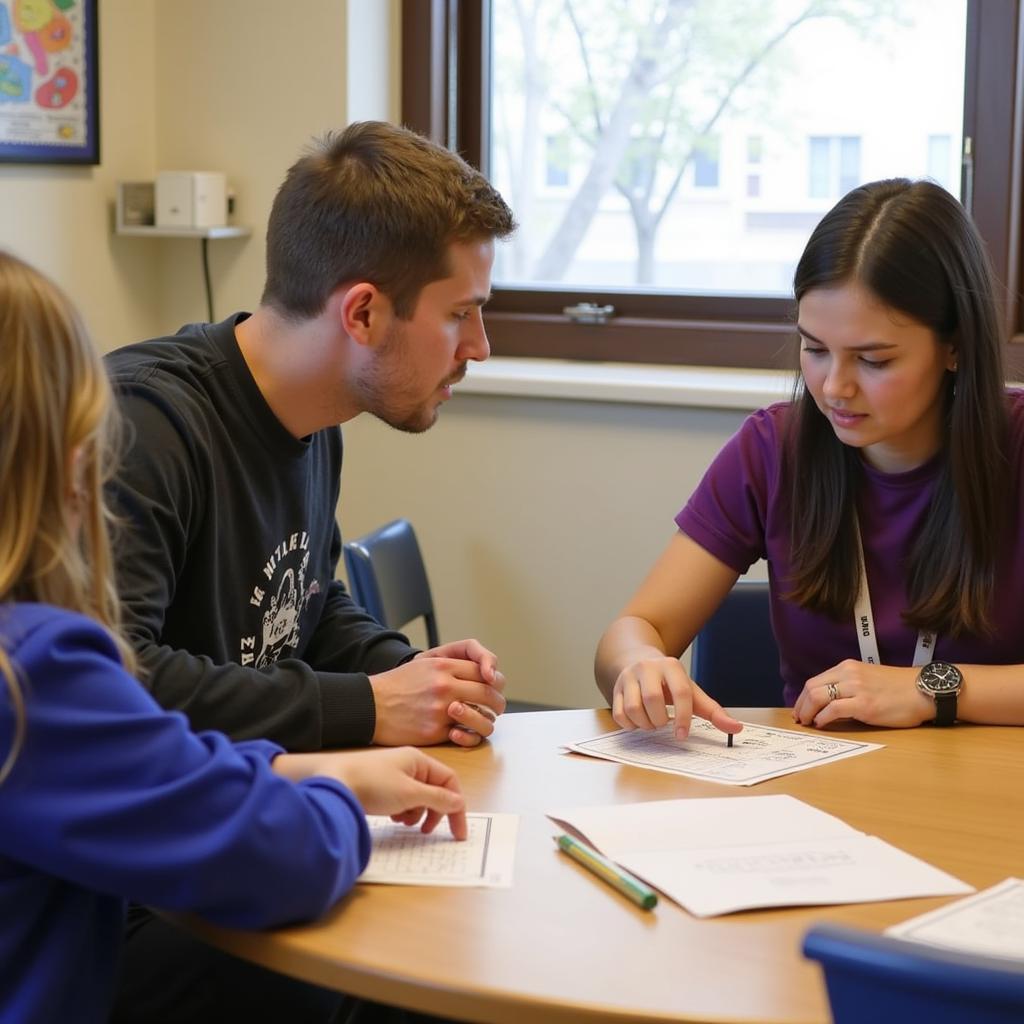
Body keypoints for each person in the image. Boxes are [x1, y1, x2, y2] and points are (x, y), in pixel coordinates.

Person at [0, 249, 469, 1024]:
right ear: (64, 451)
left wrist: (380, 705)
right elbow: (279, 856)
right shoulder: (32, 669)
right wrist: (337, 790)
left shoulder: (318, 433)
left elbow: (156, 758)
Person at [105, 120, 516, 752]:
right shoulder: (141, 425)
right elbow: (118, 682)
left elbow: (307, 608)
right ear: (363, 313)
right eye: (460, 314)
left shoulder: (316, 420)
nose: (480, 347)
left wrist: (410, 672)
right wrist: (371, 707)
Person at [596, 178, 1024, 737]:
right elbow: (635, 628)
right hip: (817, 794)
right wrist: (639, 665)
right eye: (815, 350)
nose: (834, 388)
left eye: (874, 360)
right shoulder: (773, 448)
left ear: (955, 346)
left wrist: (931, 688)